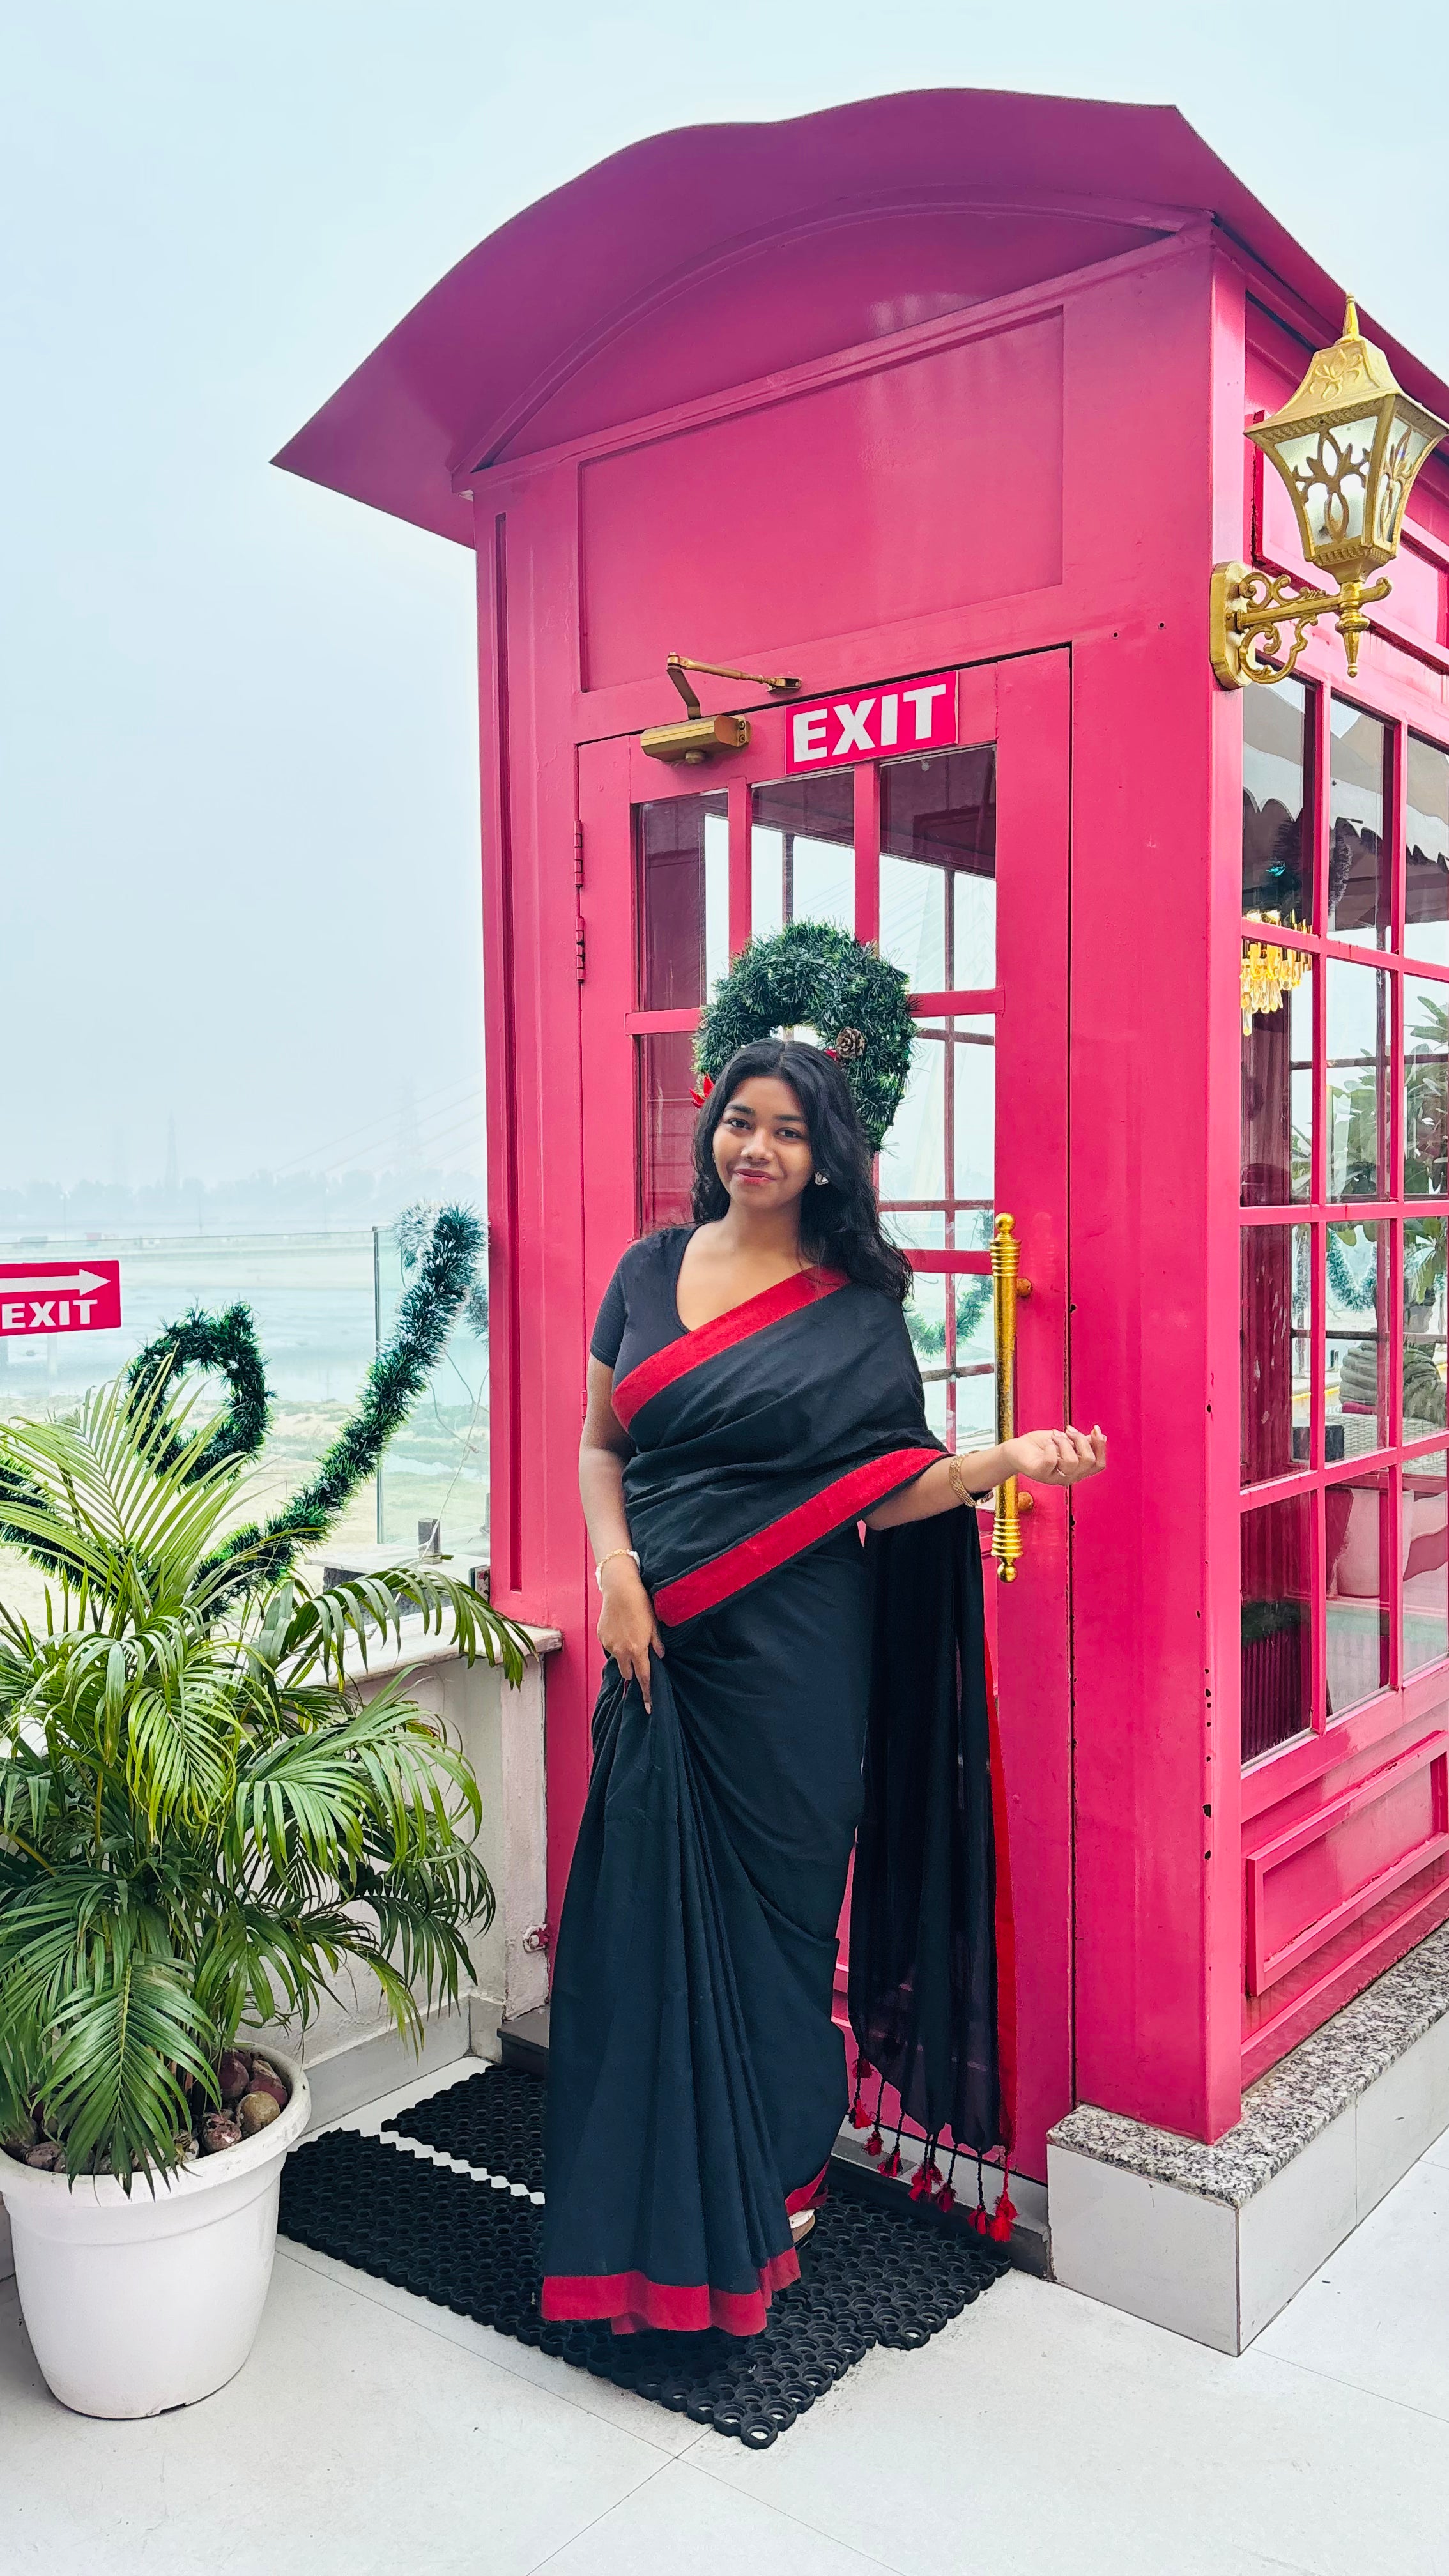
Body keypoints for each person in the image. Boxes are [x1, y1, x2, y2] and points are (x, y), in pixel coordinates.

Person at [540, 1039, 1105, 2336]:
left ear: (827, 1157)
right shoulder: (644, 1273)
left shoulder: (854, 1308)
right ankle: (646, 2218)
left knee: (784, 1934)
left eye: (789, 1131)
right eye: (741, 1121)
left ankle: (774, 2181)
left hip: (797, 1662)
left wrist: (1002, 1462)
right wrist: (614, 1575)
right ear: (712, 1133)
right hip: (656, 1645)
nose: (758, 1148)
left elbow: (886, 1487)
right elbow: (599, 1446)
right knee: (638, 1929)